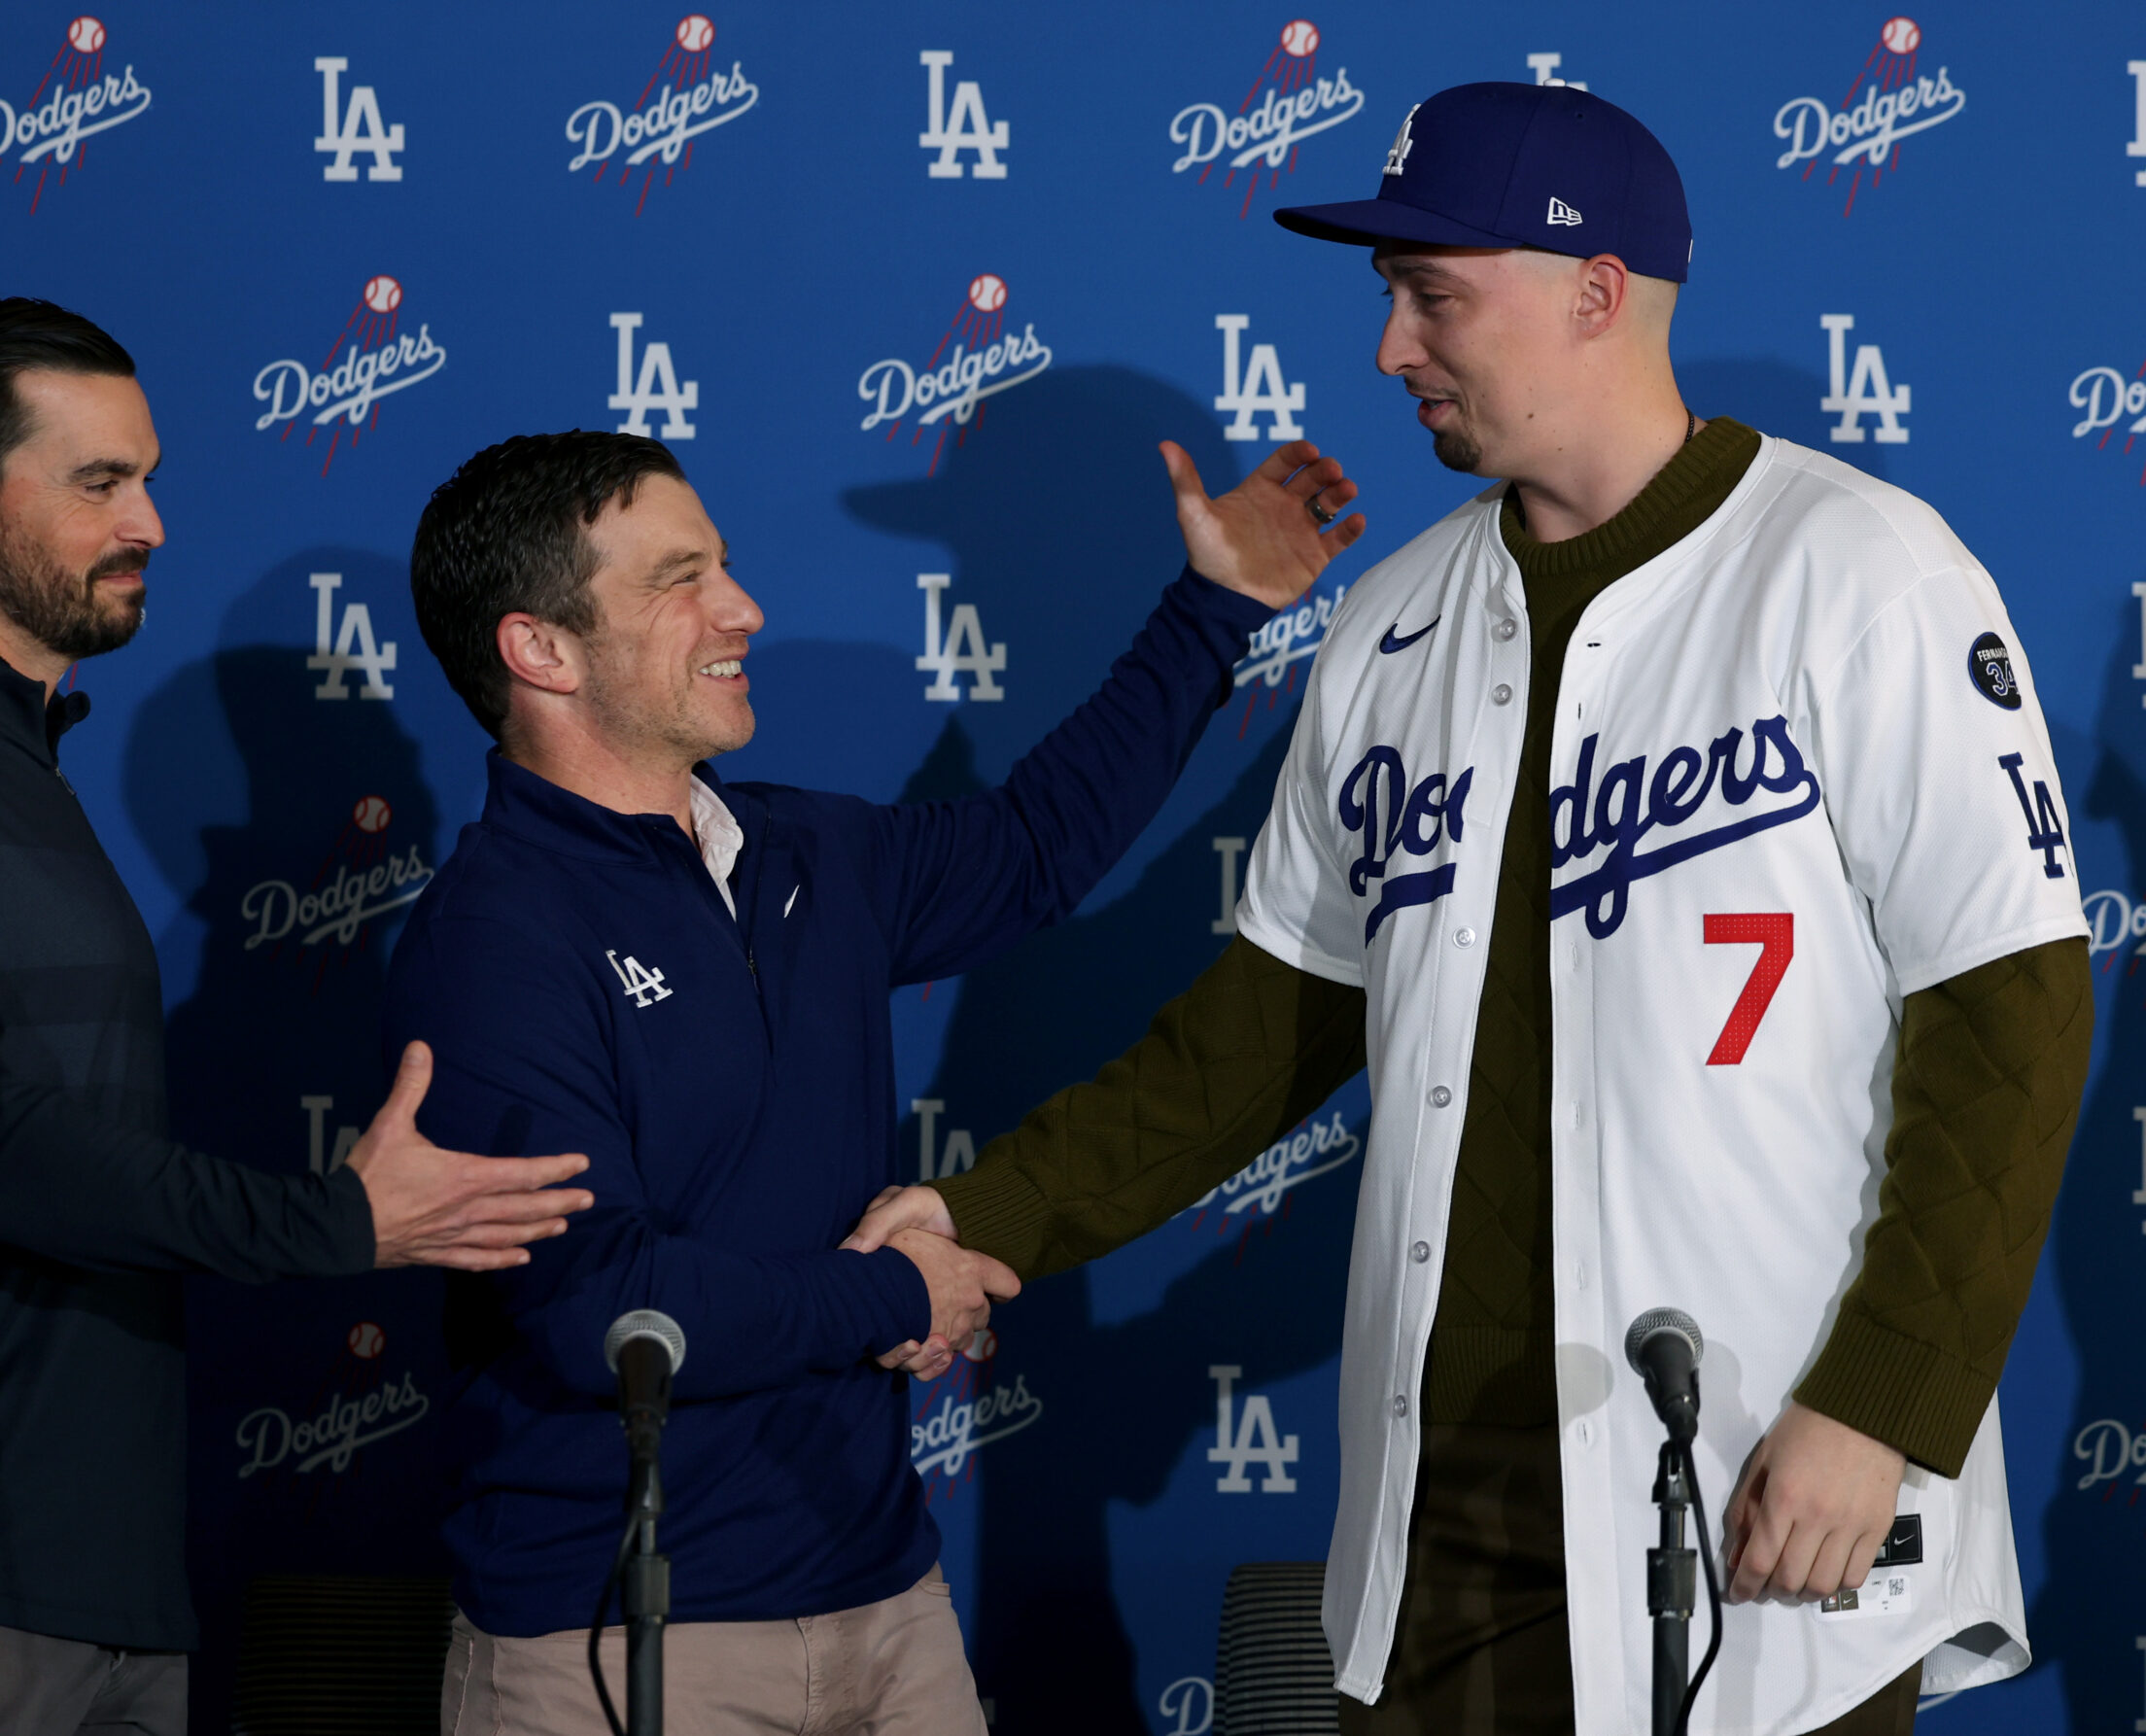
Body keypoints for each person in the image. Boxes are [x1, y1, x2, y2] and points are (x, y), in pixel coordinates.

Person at [848, 82, 2093, 1736]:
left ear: (1596, 292)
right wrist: (989, 1213)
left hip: (1748, 1475)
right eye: (1387, 294)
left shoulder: (1861, 569)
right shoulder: (1391, 624)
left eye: (1434, 293)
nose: (1387, 346)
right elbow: (1257, 1033)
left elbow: (2007, 1014)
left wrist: (1881, 1402)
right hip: (1443, 1497)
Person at [0, 295, 597, 1736]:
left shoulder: (9, 774)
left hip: (92, 1589)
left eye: (148, 475)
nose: (153, 519)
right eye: (100, 481)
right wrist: (331, 1221)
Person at [388, 425, 1363, 1734]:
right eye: (682, 579)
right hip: (623, 1639)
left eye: (722, 563)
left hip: (890, 1612)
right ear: (541, 650)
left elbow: (1037, 849)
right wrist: (899, 1288)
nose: (744, 607)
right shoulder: (490, 941)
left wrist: (1217, 609)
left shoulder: (805, 853)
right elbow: (605, 1309)